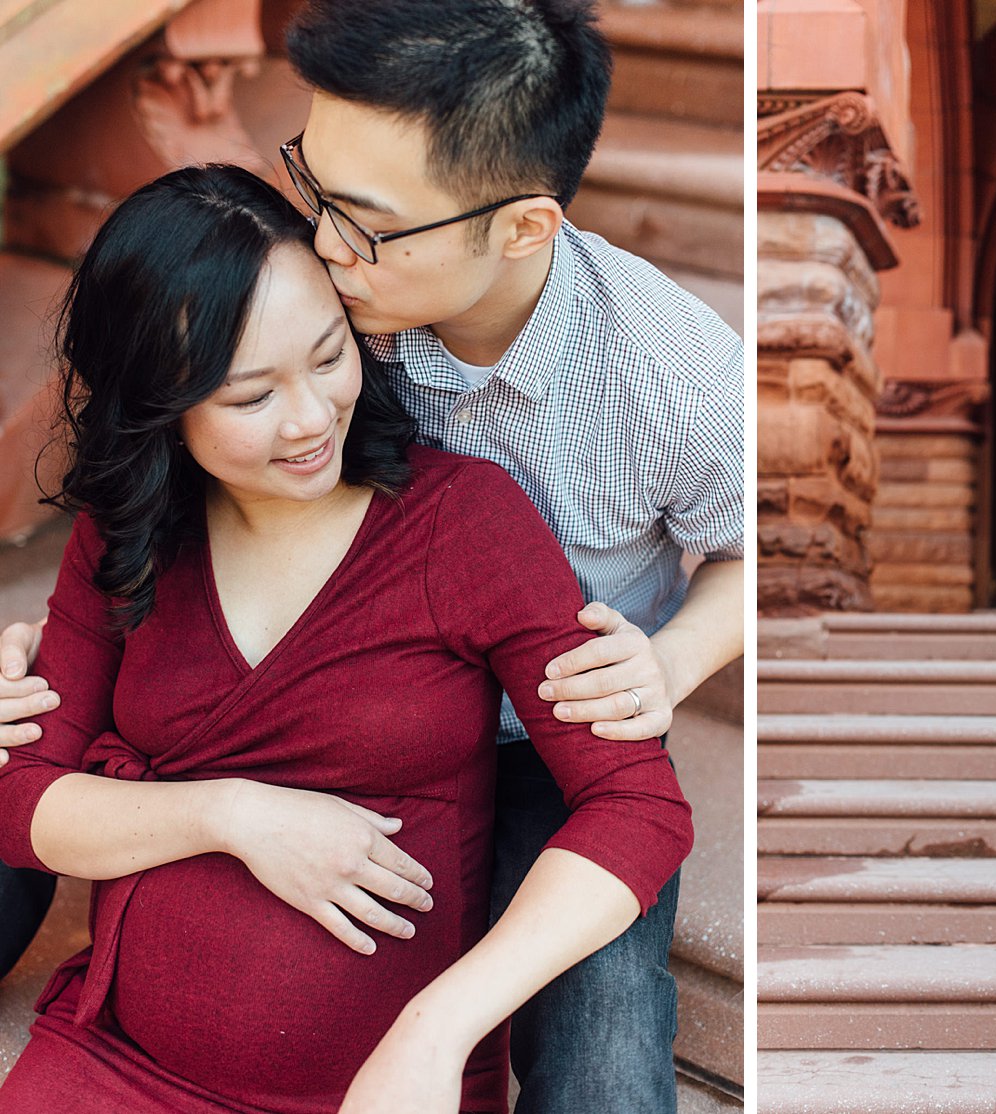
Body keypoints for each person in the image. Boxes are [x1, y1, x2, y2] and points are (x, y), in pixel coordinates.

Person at [0, 1, 743, 1110]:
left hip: (559, 699)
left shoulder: (673, 376)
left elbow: (762, 555)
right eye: (316, 192)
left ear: (520, 230)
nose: (328, 248)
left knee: (603, 1031)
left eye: (364, 224)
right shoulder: (334, 292)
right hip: (335, 680)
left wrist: (670, 665)